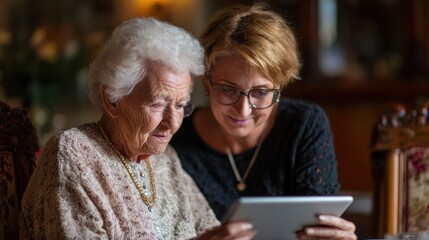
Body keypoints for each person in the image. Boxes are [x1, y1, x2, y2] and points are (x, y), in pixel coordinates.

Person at [19, 17, 256, 239]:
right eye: (158, 104)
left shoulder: (167, 162)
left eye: (181, 105)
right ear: (112, 99)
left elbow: (211, 230)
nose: (173, 123)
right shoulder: (73, 154)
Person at [170, 3, 357, 239]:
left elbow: (321, 224)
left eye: (260, 92)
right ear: (206, 83)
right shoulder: (175, 135)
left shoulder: (303, 125)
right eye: (228, 89)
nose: (243, 110)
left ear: (280, 87)